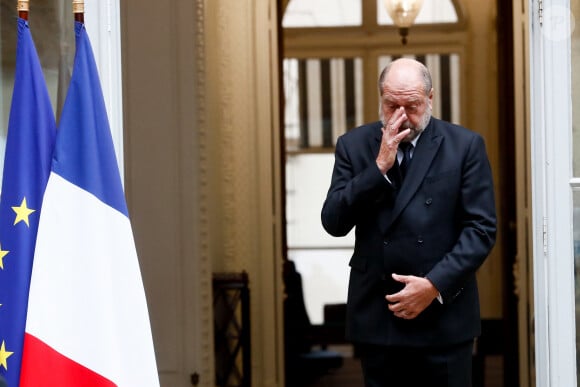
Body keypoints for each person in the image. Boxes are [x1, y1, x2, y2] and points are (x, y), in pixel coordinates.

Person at [321, 58, 497, 387]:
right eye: (392, 105)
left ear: (430, 99)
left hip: (443, 317)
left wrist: (433, 286)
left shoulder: (464, 146)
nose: (401, 115)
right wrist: (378, 168)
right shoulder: (353, 146)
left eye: (412, 105)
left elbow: (481, 230)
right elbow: (333, 221)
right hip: (379, 316)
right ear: (380, 100)